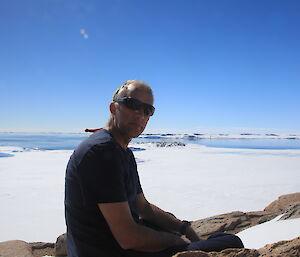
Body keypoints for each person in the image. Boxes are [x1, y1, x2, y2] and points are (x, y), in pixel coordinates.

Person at [64, 80, 244, 257]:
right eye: (132, 104)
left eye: (148, 110)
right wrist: (178, 242)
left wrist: (183, 227)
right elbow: (128, 237)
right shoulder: (102, 152)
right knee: (230, 242)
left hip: (106, 246)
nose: (140, 114)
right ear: (113, 108)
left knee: (170, 224)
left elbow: (143, 207)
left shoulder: (122, 153)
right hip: (107, 251)